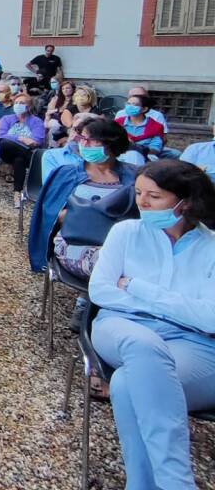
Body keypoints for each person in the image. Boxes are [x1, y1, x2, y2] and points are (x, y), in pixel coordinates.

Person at [86, 160, 215, 490]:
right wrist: (178, 306)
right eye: (139, 192)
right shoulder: (126, 232)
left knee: (129, 384)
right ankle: (177, 482)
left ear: (185, 202)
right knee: (143, 346)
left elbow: (210, 318)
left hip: (194, 344)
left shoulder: (211, 246)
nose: (141, 202)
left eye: (154, 196)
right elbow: (101, 290)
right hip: (123, 327)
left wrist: (137, 287)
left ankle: (142, 485)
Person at [27, 118, 137, 272]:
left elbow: (142, 216)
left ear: (111, 143)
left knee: (138, 263)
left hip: (122, 243)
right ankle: (97, 293)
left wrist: (81, 214)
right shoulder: (66, 174)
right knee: (114, 265)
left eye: (91, 140)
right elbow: (51, 215)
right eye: (82, 139)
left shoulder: (134, 176)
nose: (84, 144)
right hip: (77, 241)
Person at [0, 93, 46, 207]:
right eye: (16, 103)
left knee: (19, 159)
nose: (18, 105)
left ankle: (17, 193)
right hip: (7, 151)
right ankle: (19, 193)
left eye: (22, 103)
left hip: (26, 156)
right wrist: (21, 138)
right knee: (5, 143)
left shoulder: (36, 121)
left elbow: (38, 140)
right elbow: (1, 136)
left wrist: (28, 141)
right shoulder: (7, 119)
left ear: (29, 106)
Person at [116, 94, 167, 158]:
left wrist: (151, 154)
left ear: (144, 109)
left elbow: (155, 146)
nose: (130, 106)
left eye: (135, 105)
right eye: (128, 104)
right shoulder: (117, 123)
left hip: (144, 157)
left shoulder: (156, 126)